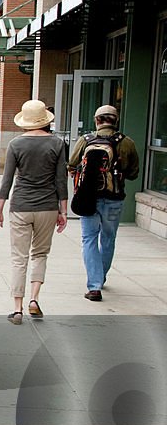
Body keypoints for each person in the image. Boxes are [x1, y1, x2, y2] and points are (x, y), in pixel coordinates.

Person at [0, 100, 69, 324]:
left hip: (20, 206)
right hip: (47, 206)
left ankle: (17, 308)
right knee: (40, 254)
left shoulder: (16, 144)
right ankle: (34, 299)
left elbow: (7, 181)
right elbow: (61, 180)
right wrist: (63, 210)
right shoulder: (57, 143)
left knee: (19, 258)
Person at [67, 104, 140, 302]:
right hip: (114, 199)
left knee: (89, 238)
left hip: (89, 197)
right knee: (108, 238)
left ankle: (94, 285)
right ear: (116, 121)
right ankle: (101, 276)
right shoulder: (127, 143)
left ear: (97, 121)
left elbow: (72, 165)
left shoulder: (86, 140)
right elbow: (134, 173)